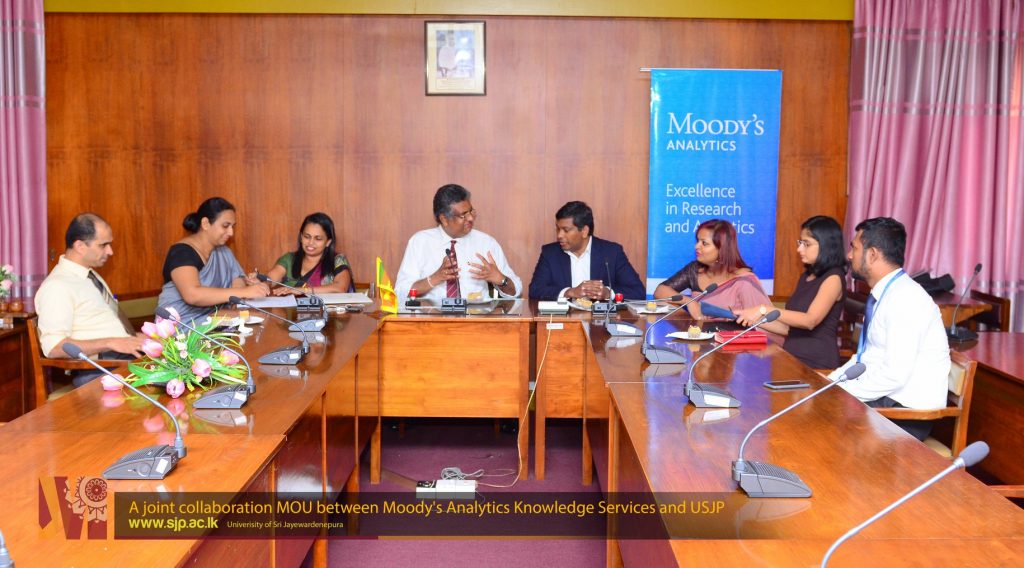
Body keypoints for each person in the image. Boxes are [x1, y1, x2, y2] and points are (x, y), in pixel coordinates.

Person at [828, 217, 950, 441]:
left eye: (854, 248)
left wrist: (839, 391)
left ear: (873, 254)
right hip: (887, 401)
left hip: (905, 414)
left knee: (824, 425)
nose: (849, 255)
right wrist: (830, 383)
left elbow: (894, 375)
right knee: (819, 411)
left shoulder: (905, 299)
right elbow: (867, 357)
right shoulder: (887, 294)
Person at [34, 213, 145, 386]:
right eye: (103, 245)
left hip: (121, 359)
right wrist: (111, 342)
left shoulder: (90, 275)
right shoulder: (57, 286)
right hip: (98, 369)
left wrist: (136, 339)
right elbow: (53, 347)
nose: (110, 251)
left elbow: (98, 326)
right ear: (80, 246)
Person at [735, 216, 847, 369]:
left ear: (826, 245)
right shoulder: (806, 276)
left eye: (806, 244)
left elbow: (810, 321)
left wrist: (764, 309)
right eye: (800, 242)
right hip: (791, 358)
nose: (799, 249)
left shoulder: (834, 278)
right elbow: (788, 329)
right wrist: (752, 318)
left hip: (816, 364)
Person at [395, 184, 522, 303]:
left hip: (476, 317)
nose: (470, 218)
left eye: (471, 211)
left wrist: (501, 279)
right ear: (444, 219)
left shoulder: (486, 243)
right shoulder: (420, 242)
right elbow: (401, 291)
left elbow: (516, 291)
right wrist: (435, 278)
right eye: (463, 215)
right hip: (432, 317)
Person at [157, 197, 269, 324]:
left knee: (264, 319)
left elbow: (237, 282)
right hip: (182, 325)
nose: (231, 232)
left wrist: (248, 288)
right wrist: (244, 292)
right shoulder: (181, 252)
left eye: (233, 226)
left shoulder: (224, 252)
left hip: (216, 319)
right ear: (205, 223)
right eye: (225, 226)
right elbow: (192, 295)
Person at [653, 218, 771, 319]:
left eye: (704, 243)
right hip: (699, 335)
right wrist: (688, 302)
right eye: (698, 241)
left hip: (732, 337)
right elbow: (660, 291)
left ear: (722, 248)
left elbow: (762, 323)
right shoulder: (695, 270)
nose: (696, 246)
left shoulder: (744, 281)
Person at [528, 201, 645, 301]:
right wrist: (570, 292)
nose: (559, 235)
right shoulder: (550, 253)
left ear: (584, 231)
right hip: (563, 319)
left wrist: (608, 293)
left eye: (566, 230)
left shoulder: (611, 253)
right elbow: (535, 290)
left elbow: (638, 291)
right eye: (558, 229)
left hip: (601, 320)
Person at [264, 212, 353, 295]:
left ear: (328, 242)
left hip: (326, 307)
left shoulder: (337, 260)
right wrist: (261, 283)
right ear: (301, 237)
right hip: (290, 307)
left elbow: (340, 288)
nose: (311, 242)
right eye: (307, 237)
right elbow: (269, 280)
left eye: (318, 239)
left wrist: (302, 290)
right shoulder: (289, 259)